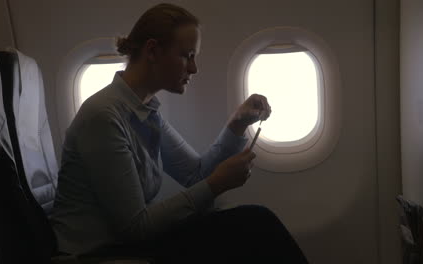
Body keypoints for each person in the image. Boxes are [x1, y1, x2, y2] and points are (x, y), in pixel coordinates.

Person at [51, 3, 308, 263]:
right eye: (187, 55)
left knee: (252, 222)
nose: (194, 68)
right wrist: (217, 183)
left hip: (127, 244)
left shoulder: (146, 112)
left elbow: (196, 174)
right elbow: (134, 228)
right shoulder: (104, 117)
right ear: (152, 51)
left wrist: (237, 124)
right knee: (253, 224)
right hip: (98, 254)